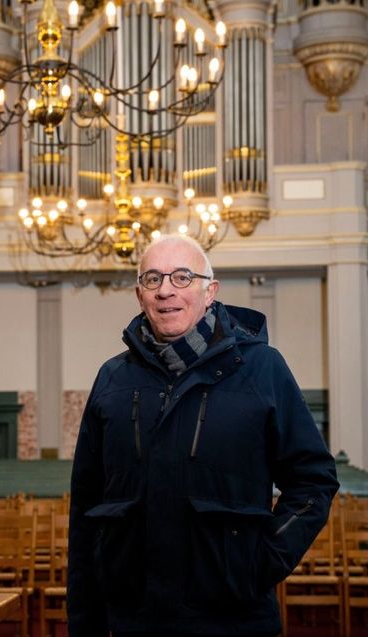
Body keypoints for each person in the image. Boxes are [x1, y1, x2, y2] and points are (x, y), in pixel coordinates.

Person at [67, 235, 339, 637]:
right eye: (153, 279)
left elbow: (314, 480)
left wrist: (260, 562)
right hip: (133, 618)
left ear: (210, 291)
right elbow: (86, 506)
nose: (166, 290)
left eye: (182, 277)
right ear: (140, 295)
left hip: (234, 616)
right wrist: (84, 622)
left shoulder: (262, 368)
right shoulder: (112, 378)